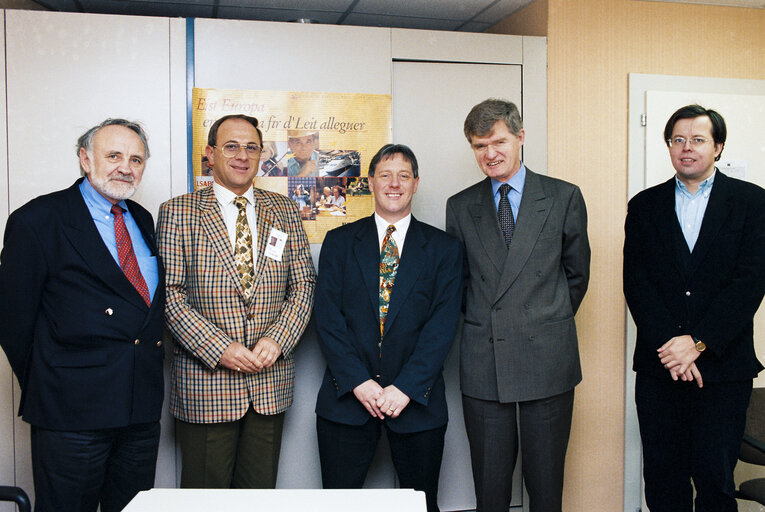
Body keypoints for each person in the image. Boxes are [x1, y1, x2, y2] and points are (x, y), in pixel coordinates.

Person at [0, 118, 165, 512]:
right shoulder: (37, 221)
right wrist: (56, 381)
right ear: (85, 159)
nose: (126, 167)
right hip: (70, 414)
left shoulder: (141, 220)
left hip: (139, 413)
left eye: (136, 159)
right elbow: (13, 323)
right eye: (114, 156)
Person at [445, 98, 590, 512]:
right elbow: (462, 285)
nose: (489, 154)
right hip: (484, 360)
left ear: (520, 138)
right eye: (479, 146)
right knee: (490, 488)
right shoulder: (460, 206)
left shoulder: (563, 197)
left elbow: (576, 276)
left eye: (498, 142)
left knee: (546, 487)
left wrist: (543, 319)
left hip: (548, 358)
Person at [156, 114, 316, 489]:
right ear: (210, 154)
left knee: (259, 496)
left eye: (251, 147)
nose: (242, 155)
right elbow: (170, 296)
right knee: (205, 499)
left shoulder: (285, 210)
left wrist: (278, 339)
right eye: (231, 146)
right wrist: (220, 348)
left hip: (268, 382)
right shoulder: (178, 212)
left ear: (261, 155)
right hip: (206, 383)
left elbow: (304, 284)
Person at [624, 104, 765, 511]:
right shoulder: (645, 205)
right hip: (660, 368)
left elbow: (749, 284)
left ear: (718, 147)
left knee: (715, 480)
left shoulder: (752, 203)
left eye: (698, 140)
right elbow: (637, 284)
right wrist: (675, 348)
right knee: (664, 482)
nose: (687, 148)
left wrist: (698, 342)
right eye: (678, 140)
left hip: (723, 371)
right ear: (669, 146)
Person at [314, 144, 463, 512]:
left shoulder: (444, 248)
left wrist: (406, 388)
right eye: (385, 174)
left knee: (422, 503)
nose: (394, 184)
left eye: (404, 176)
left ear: (415, 184)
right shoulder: (340, 242)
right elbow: (328, 318)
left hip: (417, 403)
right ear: (370, 182)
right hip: (347, 398)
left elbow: (442, 326)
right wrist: (359, 382)